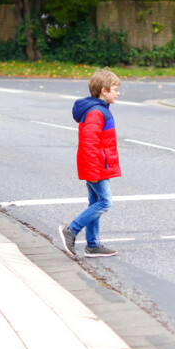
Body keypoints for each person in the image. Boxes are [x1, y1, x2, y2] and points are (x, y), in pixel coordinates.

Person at [58, 68, 121, 258]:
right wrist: (94, 171)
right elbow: (89, 143)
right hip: (95, 167)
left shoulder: (99, 110)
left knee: (95, 202)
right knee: (105, 202)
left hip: (98, 166)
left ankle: (93, 245)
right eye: (115, 89)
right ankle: (71, 230)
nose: (118, 93)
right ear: (104, 90)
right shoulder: (96, 112)